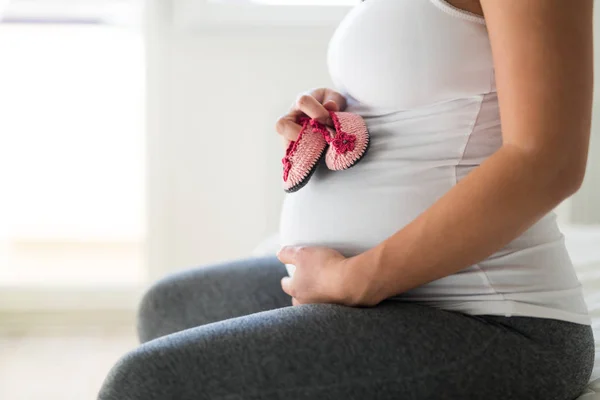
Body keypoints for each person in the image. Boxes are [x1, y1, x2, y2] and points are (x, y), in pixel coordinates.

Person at [99, 1, 595, 399]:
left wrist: (356, 280)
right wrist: (340, 111)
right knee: (172, 306)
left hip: (492, 316)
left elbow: (546, 162)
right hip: (397, 297)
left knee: (144, 384)